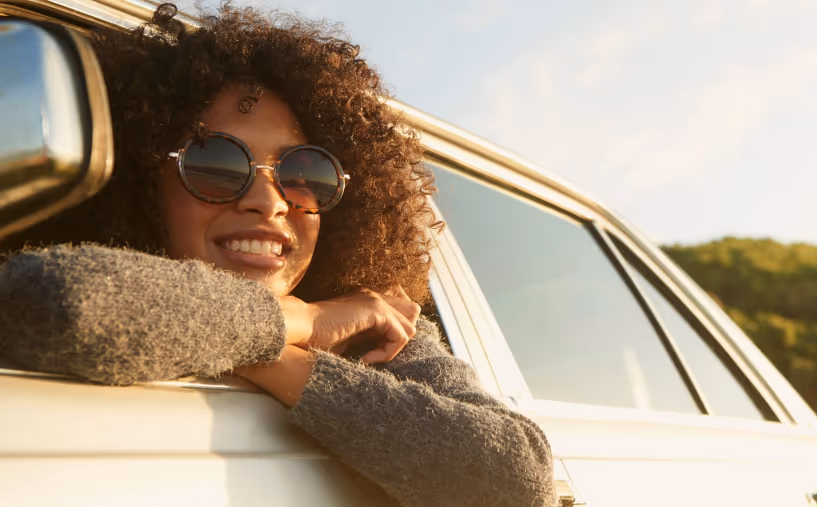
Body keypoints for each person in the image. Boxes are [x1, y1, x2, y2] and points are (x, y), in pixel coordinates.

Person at [0, 4, 557, 506]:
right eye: (215, 163)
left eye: (303, 174)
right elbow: (58, 301)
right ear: (142, 181)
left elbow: (515, 478)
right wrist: (304, 321)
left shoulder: (378, 332)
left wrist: (276, 357)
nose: (268, 201)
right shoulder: (330, 318)